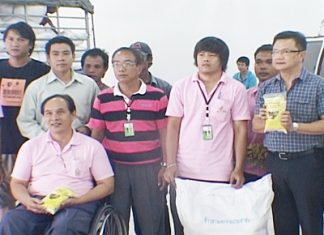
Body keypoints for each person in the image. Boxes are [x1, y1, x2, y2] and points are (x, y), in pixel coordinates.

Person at [163, 36, 250, 234]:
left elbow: (240, 130)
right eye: (201, 55)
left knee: (216, 226)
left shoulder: (236, 89)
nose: (205, 59)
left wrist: (238, 168)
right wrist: (170, 164)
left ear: (223, 60)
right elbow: (173, 127)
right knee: (183, 226)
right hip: (184, 172)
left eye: (212, 55)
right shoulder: (181, 86)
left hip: (220, 172)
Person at [0, 94, 114, 234]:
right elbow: (17, 183)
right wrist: (27, 201)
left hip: (78, 204)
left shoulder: (92, 146)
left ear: (73, 114)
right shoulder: (31, 146)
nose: (54, 118)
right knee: (11, 220)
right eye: (49, 113)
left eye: (60, 112)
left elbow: (107, 185)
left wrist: (78, 200)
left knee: (64, 227)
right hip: (39, 203)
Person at [89, 47, 168, 235]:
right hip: (115, 168)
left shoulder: (157, 96)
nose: (121, 69)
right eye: (117, 64)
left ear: (140, 67)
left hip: (149, 168)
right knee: (115, 222)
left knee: (151, 222)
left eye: (127, 63)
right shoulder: (103, 97)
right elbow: (97, 135)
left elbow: (165, 134)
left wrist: (165, 164)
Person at [252, 31, 324, 235]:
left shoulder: (318, 85)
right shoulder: (266, 87)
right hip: (275, 162)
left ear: (301, 55)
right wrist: (265, 119)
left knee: (311, 220)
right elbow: (256, 125)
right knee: (282, 222)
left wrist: (295, 126)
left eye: (286, 51)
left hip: (307, 163)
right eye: (276, 51)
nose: (279, 56)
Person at [0, 21, 50, 220]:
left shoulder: (41, 71)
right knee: (3, 198)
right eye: (10, 39)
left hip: (31, 143)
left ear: (30, 44)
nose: (15, 44)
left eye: (21, 39)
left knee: (32, 195)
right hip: (3, 143)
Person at [17, 35, 99, 138]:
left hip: (81, 145)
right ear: (48, 58)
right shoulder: (35, 87)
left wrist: (87, 128)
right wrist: (47, 139)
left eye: (65, 53)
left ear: (73, 56)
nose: (61, 58)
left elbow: (99, 117)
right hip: (46, 148)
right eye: (55, 54)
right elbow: (25, 121)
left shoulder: (89, 85)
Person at [244, 44, 278, 182]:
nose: (263, 67)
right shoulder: (245, 96)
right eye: (258, 62)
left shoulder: (288, 96)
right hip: (249, 167)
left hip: (277, 165)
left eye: (269, 62)